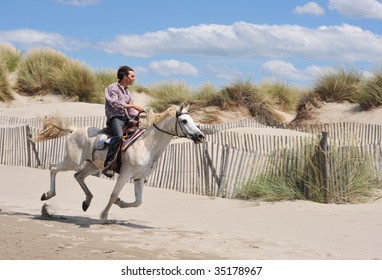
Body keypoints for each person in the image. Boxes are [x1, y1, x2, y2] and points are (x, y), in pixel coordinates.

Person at [102, 65, 144, 177]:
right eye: (132, 76)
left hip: (126, 119)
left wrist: (141, 116)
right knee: (118, 136)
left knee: (139, 135)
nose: (134, 78)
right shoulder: (112, 88)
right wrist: (133, 105)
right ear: (125, 76)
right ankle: (108, 164)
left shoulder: (127, 93)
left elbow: (131, 112)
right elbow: (114, 103)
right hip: (115, 118)